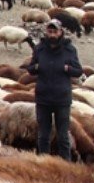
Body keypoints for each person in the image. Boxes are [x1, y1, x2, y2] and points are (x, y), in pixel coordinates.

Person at [25, 20, 83, 161]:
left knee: (63, 135)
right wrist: (36, 68)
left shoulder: (69, 50)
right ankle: (43, 163)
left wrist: (68, 69)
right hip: (43, 98)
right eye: (49, 31)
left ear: (60, 32)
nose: (52, 34)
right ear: (46, 32)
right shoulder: (40, 49)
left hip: (62, 99)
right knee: (43, 135)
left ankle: (65, 164)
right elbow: (31, 69)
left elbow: (78, 71)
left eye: (55, 31)